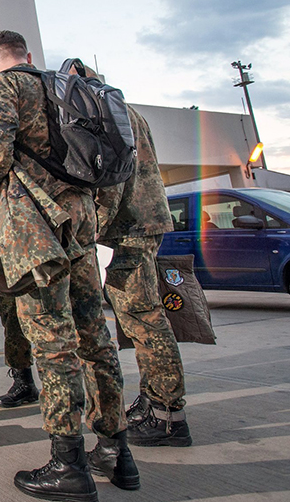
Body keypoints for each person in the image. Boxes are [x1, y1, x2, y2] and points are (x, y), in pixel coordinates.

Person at [0, 31, 138, 499]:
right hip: (80, 221)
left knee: (52, 341)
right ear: (29, 54)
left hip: (35, 224)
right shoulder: (61, 86)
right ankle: (115, 450)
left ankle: (68, 463)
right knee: (94, 335)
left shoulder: (4, 86)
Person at [94, 100, 192, 448]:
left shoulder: (102, 111)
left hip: (131, 223)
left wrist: (92, 226)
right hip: (142, 218)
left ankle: (168, 417)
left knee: (144, 317)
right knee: (142, 315)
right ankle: (154, 401)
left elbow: (112, 175)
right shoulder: (124, 109)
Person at [0, 294, 40, 408]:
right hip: (9, 280)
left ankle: (59, 388)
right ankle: (24, 382)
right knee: (12, 318)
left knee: (48, 319)